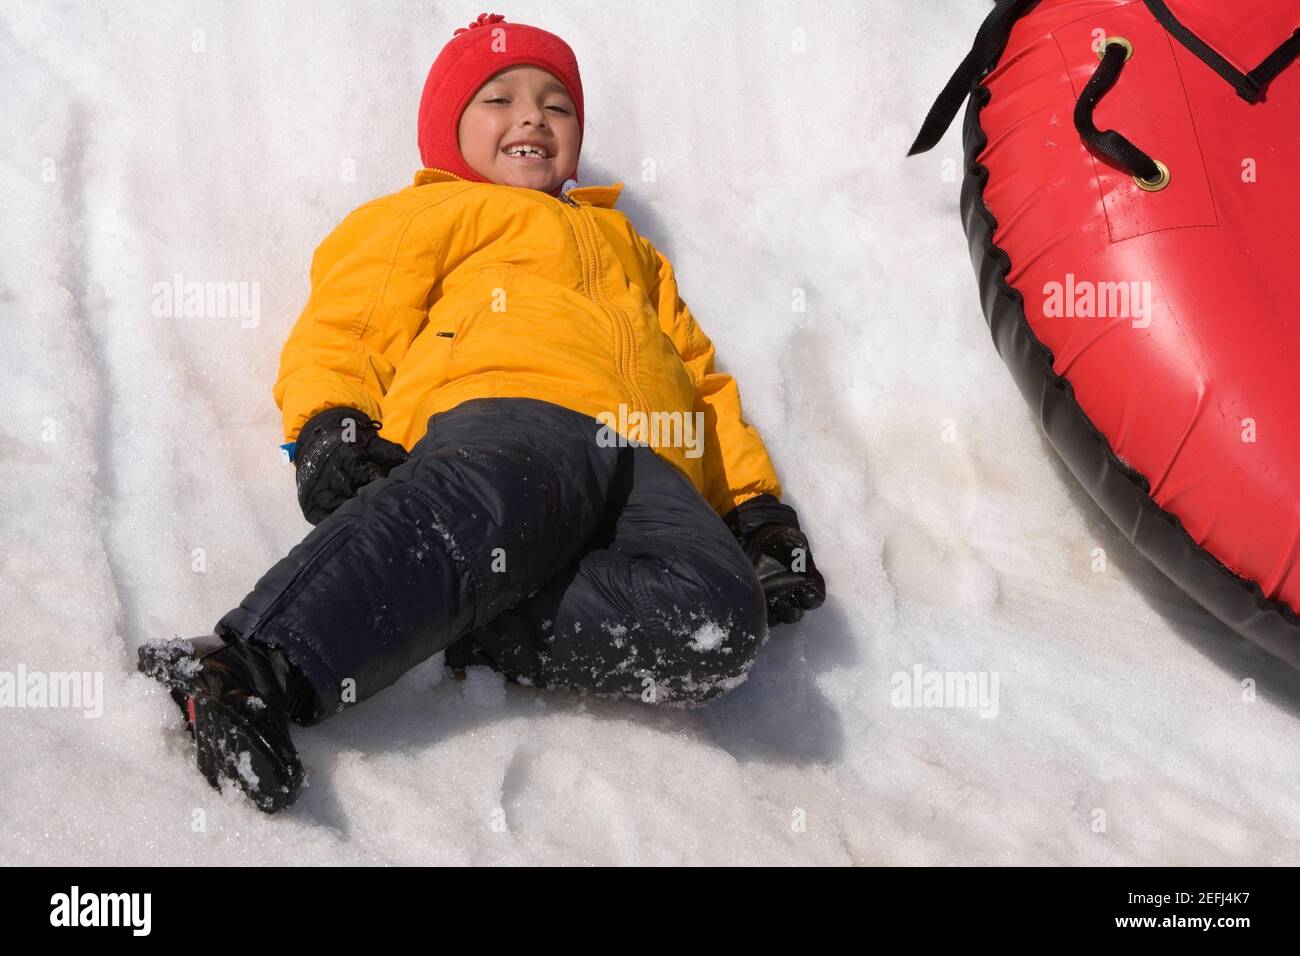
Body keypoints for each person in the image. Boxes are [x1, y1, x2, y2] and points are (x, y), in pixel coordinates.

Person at [138, 12, 826, 814]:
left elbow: (704, 383)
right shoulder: (434, 213)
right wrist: (333, 420)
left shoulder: (631, 249)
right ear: (448, 132)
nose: (533, 116)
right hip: (514, 413)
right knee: (489, 502)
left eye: (556, 104)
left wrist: (755, 511)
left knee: (720, 618)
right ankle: (250, 665)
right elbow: (351, 321)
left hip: (651, 461)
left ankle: (431, 610)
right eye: (499, 98)